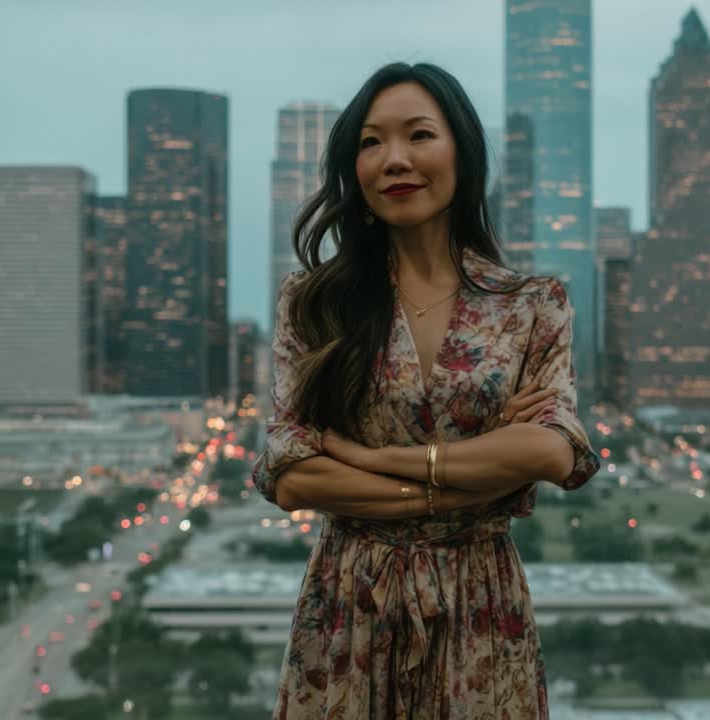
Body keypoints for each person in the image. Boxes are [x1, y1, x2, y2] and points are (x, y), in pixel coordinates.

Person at [251, 61, 599, 719]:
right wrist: (480, 471)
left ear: (461, 152)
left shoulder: (531, 304)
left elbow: (555, 454)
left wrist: (374, 460)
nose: (395, 159)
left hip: (480, 604)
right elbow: (292, 476)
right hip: (351, 602)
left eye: (418, 135)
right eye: (371, 142)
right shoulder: (314, 303)